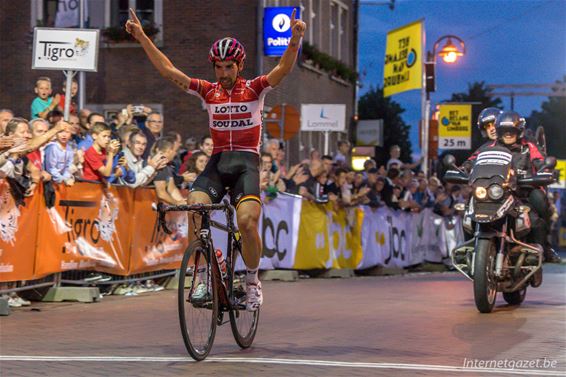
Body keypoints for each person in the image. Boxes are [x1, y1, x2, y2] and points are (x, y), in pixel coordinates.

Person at [126, 6, 306, 311]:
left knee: (247, 222)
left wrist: (295, 40)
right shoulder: (209, 92)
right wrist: (143, 37)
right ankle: (203, 275)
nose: (222, 74)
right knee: (194, 208)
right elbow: (170, 72)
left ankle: (251, 280)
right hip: (218, 163)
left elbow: (282, 71)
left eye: (228, 67)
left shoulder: (254, 89)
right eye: (218, 67)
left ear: (239, 65)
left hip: (246, 163)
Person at [492, 111, 560, 263]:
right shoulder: (491, 147)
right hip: (496, 194)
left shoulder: (528, 147)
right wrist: (464, 169)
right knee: (469, 209)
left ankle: (544, 248)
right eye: (504, 131)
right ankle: (472, 249)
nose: (508, 134)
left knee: (538, 206)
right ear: (499, 132)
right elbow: (474, 160)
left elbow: (540, 161)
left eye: (512, 131)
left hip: (524, 193)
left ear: (519, 132)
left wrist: (545, 169)